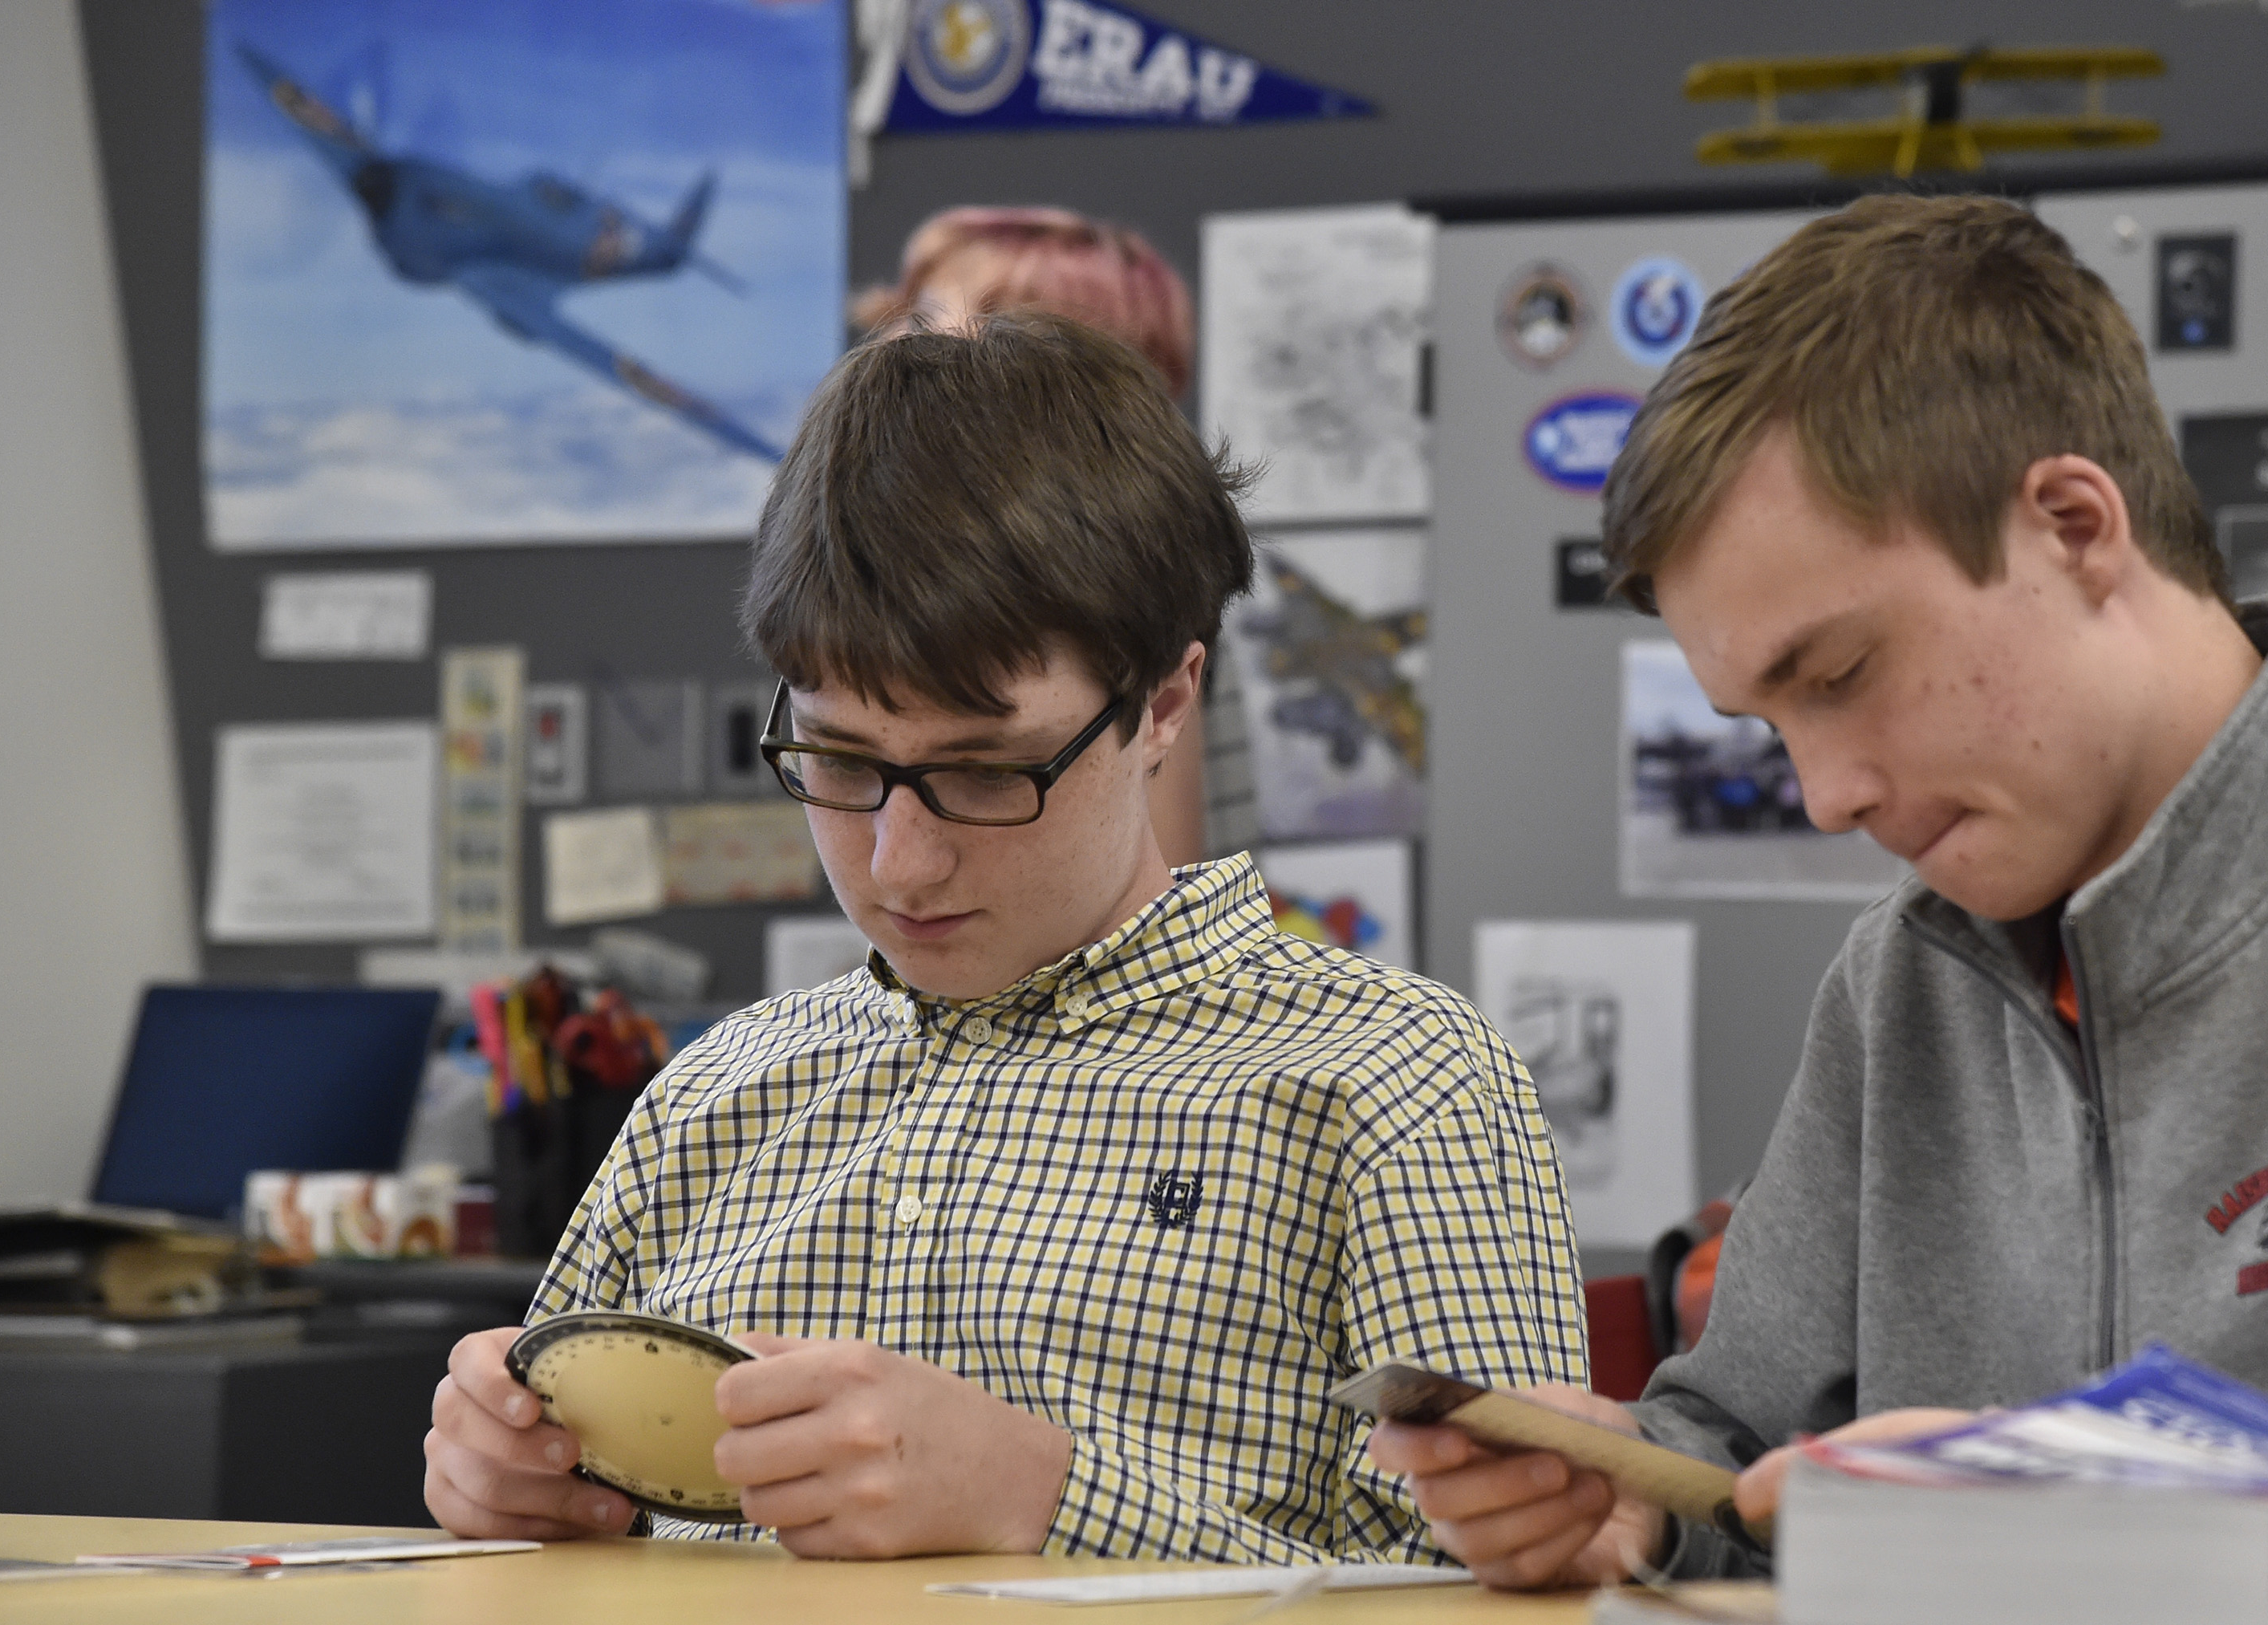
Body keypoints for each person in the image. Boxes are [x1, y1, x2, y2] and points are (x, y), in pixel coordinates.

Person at [1369, 194, 2268, 1621]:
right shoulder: (1900, 994)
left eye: (1840, 676)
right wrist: (1640, 1500)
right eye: (1767, 724)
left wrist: (2152, 1500)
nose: (1823, 795)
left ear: (2074, 523)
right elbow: (1750, 1467)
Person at [424, 315, 1588, 1561]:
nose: (900, 860)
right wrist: (507, 1491)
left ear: (1165, 703)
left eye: (987, 772)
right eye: (839, 760)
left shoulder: (1397, 1081)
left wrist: (1045, 1498)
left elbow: (1505, 1595)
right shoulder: (712, 1096)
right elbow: (551, 1517)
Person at [852, 206, 1256, 863]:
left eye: (938, 335)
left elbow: (1158, 887)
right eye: (912, 322)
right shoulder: (958, 569)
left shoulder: (1124, 579)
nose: (900, 361)